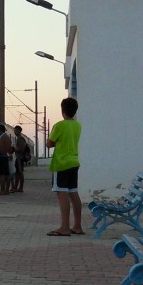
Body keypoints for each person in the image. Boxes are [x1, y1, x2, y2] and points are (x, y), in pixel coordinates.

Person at [45, 97, 83, 236]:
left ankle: (65, 227)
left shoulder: (59, 125)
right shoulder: (78, 125)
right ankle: (77, 226)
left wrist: (56, 143)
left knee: (62, 194)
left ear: (62, 110)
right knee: (73, 193)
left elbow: (49, 143)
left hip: (61, 163)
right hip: (74, 161)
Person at [10, 125, 29, 193]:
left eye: (16, 130)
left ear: (19, 131)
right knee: (17, 173)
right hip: (18, 158)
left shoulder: (20, 139)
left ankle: (20, 188)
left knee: (20, 173)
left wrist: (15, 149)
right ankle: (16, 187)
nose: (14, 132)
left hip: (19, 158)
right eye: (14, 130)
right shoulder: (18, 138)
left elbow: (22, 148)